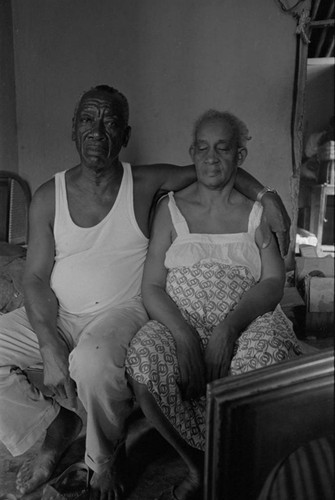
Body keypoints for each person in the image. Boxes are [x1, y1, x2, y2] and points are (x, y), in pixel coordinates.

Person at [0, 86, 290, 500]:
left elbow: (214, 167)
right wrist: (47, 341)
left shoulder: (146, 182)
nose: (97, 132)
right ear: (73, 129)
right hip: (59, 313)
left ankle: (100, 461)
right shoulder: (49, 195)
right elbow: (33, 279)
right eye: (87, 120)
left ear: (126, 134)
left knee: (93, 362)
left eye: (110, 122)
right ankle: (55, 426)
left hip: (119, 312)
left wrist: (266, 195)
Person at [125, 110, 305, 500]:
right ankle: (198, 467)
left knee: (265, 357)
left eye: (223, 148)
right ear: (191, 152)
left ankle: (240, 466)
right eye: (203, 148)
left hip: (246, 322)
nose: (211, 157)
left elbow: (273, 281)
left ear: (239, 156)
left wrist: (229, 328)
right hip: (183, 320)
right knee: (144, 359)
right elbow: (153, 285)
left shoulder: (257, 213)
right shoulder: (170, 209)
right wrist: (184, 335)